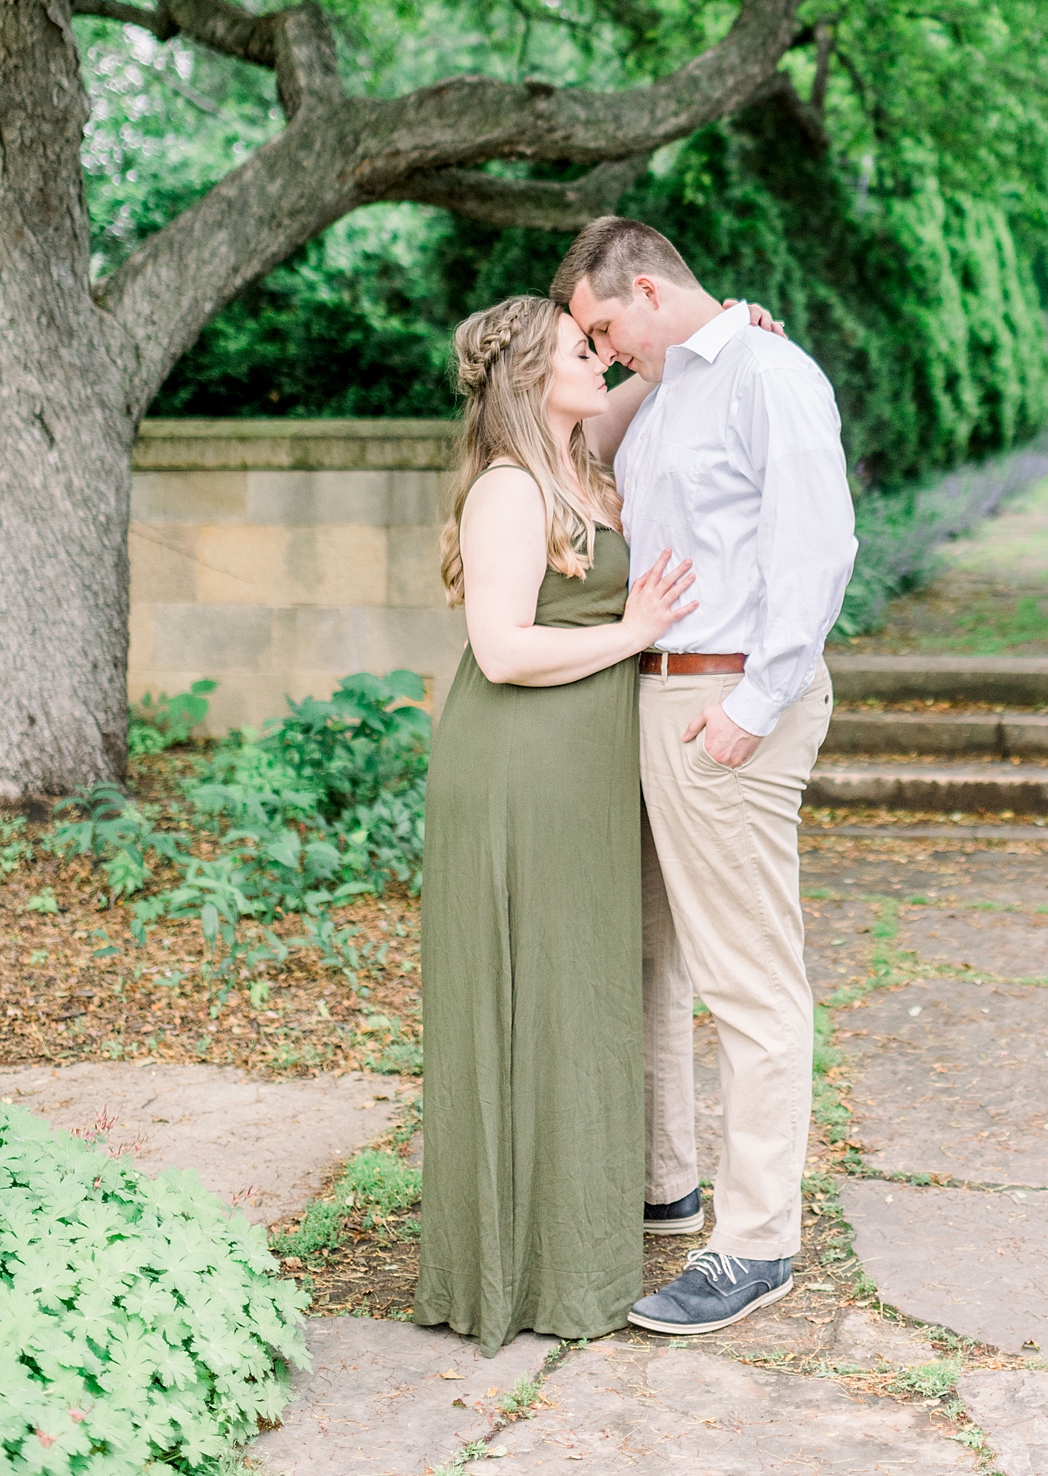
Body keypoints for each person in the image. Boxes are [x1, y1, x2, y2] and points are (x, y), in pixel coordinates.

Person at [551, 216, 858, 1337]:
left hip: (727, 699)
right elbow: (565, 429)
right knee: (654, 950)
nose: (598, 351)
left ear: (643, 286)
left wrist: (752, 705)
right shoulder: (671, 387)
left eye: (601, 327)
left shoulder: (769, 377)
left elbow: (819, 549)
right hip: (658, 690)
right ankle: (669, 1181)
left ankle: (757, 1244)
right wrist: (673, 350)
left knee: (750, 980)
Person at [411, 294, 698, 1351]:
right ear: (535, 379)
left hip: (583, 777)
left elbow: (657, 372)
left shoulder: (581, 459)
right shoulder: (508, 489)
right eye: (584, 350)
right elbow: (502, 650)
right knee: (529, 999)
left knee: (580, 1000)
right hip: (518, 775)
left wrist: (730, 327)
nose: (602, 358)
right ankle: (517, 1271)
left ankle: (574, 1254)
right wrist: (633, 632)